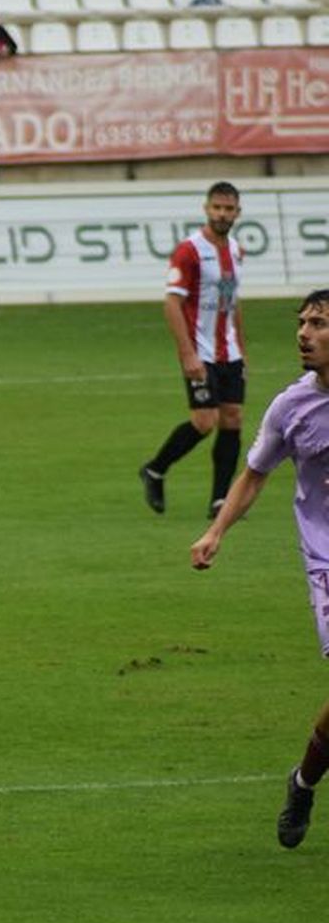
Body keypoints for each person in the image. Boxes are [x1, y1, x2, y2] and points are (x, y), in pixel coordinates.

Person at [191, 290, 329, 849]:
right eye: (302, 323)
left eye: (318, 323)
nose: (303, 332)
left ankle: (303, 780)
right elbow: (252, 475)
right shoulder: (290, 408)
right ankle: (304, 785)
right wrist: (216, 530)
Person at [139, 183, 245, 519]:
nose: (222, 214)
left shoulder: (237, 251)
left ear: (237, 213)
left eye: (228, 209)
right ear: (206, 209)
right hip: (201, 351)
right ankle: (155, 469)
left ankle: (220, 500)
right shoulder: (189, 251)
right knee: (204, 421)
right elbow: (172, 303)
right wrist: (187, 355)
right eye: (217, 208)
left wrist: (241, 347)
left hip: (230, 353)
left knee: (233, 419)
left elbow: (232, 302)